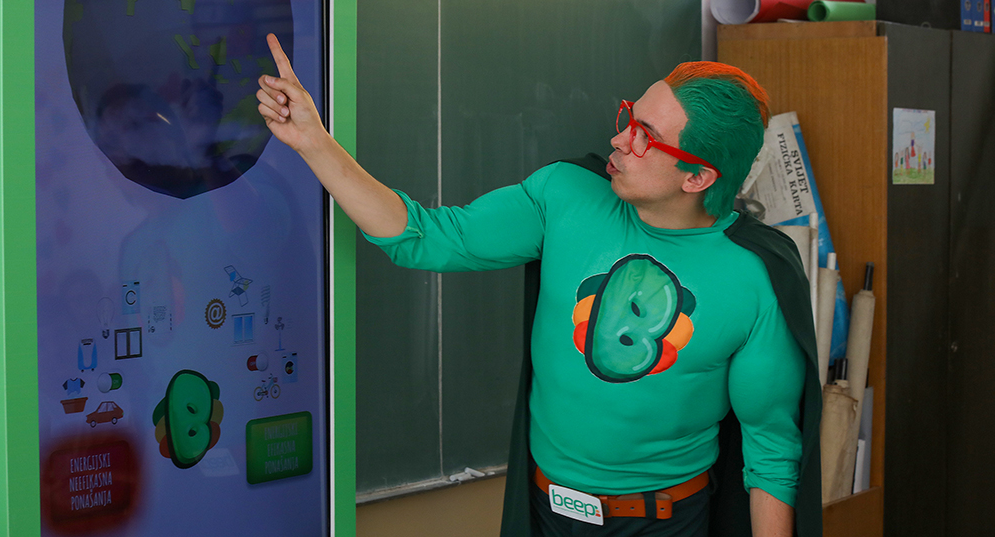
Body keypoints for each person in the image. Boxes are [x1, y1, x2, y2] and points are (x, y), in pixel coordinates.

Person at [256, 34, 822, 537]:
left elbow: (771, 449)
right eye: (629, 117)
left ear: (697, 176)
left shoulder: (754, 278)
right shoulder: (565, 195)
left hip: (664, 521)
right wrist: (313, 142)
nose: (619, 138)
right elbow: (424, 237)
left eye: (645, 137)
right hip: (544, 511)